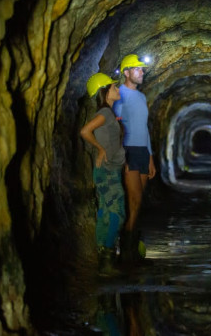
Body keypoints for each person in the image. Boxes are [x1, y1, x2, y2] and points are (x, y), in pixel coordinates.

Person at [80, 73, 126, 277]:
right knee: (117, 212)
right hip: (107, 172)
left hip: (109, 170)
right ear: (105, 92)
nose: (118, 89)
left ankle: (104, 262)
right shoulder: (105, 113)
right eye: (114, 87)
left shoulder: (108, 113)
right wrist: (99, 149)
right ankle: (106, 261)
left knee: (105, 214)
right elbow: (85, 131)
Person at [113, 54, 156, 264]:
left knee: (138, 204)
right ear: (126, 72)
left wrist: (151, 157)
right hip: (128, 150)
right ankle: (126, 250)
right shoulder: (119, 94)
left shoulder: (141, 97)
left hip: (142, 152)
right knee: (134, 200)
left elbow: (145, 128)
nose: (142, 72)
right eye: (138, 69)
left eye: (142, 69)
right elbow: (117, 127)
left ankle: (131, 249)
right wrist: (122, 155)